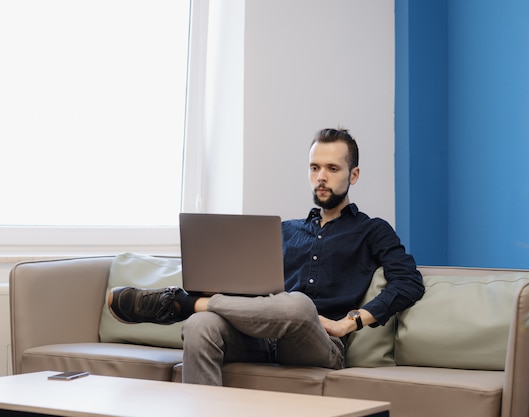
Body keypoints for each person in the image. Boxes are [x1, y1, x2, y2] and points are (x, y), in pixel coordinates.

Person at [108, 127, 425, 385]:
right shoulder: (283, 230)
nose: (321, 177)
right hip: (259, 337)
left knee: (299, 304)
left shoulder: (372, 230)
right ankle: (194, 310)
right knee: (200, 325)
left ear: (353, 175)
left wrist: (349, 322)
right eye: (314, 168)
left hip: (317, 343)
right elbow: (252, 293)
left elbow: (409, 282)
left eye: (332, 168)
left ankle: (180, 303)